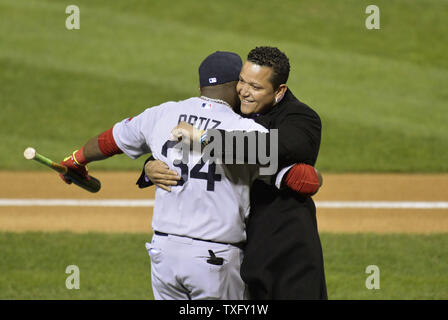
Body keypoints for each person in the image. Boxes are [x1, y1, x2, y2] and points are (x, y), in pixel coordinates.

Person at [58, 51, 319, 300]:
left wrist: (77, 159)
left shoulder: (161, 114)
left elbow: (111, 140)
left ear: (200, 87)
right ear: (234, 86)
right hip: (214, 258)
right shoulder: (244, 130)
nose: (244, 90)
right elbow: (303, 178)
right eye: (241, 82)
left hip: (163, 254)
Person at [146, 46, 327, 299]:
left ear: (279, 91)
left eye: (255, 86)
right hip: (240, 252)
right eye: (242, 81)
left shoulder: (300, 119)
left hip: (286, 253)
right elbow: (180, 146)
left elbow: (268, 149)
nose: (243, 91)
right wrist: (148, 166)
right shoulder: (236, 112)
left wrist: (202, 138)